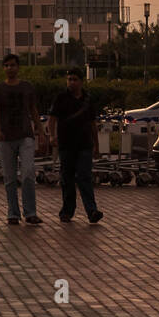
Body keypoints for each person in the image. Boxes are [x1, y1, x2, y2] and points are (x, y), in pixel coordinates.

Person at [0, 53, 45, 226]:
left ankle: (30, 212)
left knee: (28, 172)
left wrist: (41, 131)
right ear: (3, 68)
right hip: (6, 138)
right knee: (10, 177)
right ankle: (13, 213)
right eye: (6, 65)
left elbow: (33, 110)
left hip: (25, 136)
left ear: (18, 67)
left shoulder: (27, 87)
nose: (9, 68)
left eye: (12, 65)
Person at [48, 68, 104, 224]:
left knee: (85, 177)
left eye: (74, 79)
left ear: (81, 81)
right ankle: (67, 211)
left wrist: (96, 146)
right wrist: (52, 136)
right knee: (67, 179)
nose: (71, 82)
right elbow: (52, 119)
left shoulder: (87, 99)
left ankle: (91, 210)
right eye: (69, 79)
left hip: (84, 144)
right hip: (66, 145)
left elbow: (93, 124)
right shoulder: (61, 98)